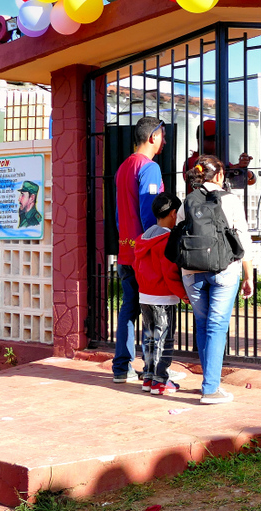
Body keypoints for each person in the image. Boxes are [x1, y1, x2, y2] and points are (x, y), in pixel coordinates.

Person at [177, 155, 254, 404]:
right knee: (217, 326)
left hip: (191, 273)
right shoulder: (230, 200)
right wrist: (248, 276)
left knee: (202, 324)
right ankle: (210, 388)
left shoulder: (187, 201)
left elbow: (177, 235)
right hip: (224, 270)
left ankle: (209, 381)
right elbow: (243, 240)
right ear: (219, 175)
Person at [112, 117, 166, 384]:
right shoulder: (150, 168)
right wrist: (156, 244)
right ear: (153, 137)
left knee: (128, 309)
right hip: (143, 252)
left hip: (125, 249)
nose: (164, 141)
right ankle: (150, 369)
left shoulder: (123, 168)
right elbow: (149, 212)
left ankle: (121, 367)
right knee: (151, 312)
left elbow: (119, 213)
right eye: (162, 136)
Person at [133, 192, 184, 396]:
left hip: (146, 296)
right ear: (173, 213)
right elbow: (170, 274)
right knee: (165, 339)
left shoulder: (142, 238)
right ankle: (161, 381)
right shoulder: (167, 240)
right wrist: (184, 294)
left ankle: (149, 377)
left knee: (151, 338)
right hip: (164, 297)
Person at [182, 119, 256, 191]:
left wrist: (244, 169)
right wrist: (235, 168)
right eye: (214, 139)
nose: (220, 143)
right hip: (201, 203)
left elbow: (251, 181)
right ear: (200, 141)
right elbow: (210, 176)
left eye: (222, 139)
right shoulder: (191, 162)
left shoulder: (220, 161)